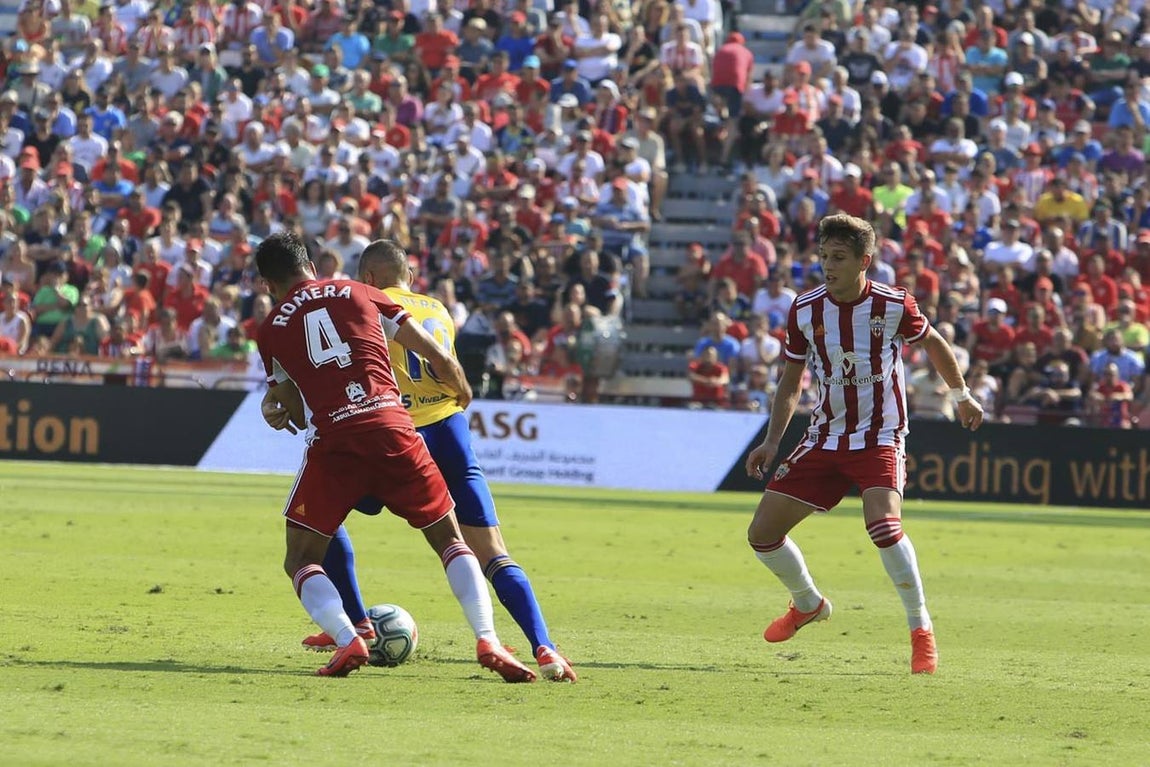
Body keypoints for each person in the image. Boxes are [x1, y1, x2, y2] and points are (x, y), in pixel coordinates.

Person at [253, 232, 534, 681]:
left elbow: (286, 404)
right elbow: (434, 352)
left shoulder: (271, 328)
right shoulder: (362, 292)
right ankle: (488, 638)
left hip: (337, 439)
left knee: (301, 556)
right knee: (450, 540)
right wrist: (459, 385)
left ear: (269, 283)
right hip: (393, 427)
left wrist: (273, 407)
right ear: (309, 263)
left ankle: (348, 638)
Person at [743, 214, 984, 675]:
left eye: (838, 258)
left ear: (864, 262)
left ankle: (920, 629)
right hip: (825, 436)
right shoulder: (805, 309)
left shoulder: (894, 304)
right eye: (823, 257)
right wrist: (773, 439)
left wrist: (962, 396)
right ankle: (807, 603)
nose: (827, 266)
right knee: (761, 534)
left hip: (880, 437)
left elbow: (934, 343)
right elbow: (792, 377)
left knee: (884, 526)